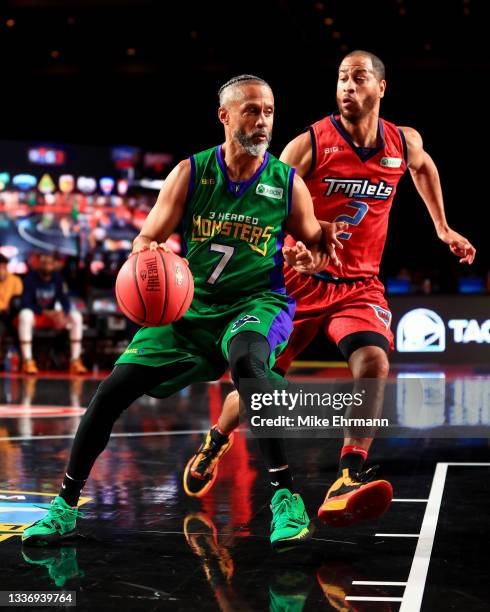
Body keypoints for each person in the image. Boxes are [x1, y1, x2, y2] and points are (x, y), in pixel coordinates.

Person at [21, 74, 344, 549]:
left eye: (269, 111)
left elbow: (316, 245)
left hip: (256, 302)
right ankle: (65, 507)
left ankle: (285, 500)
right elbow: (147, 237)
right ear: (225, 116)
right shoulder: (191, 173)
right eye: (252, 110)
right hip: (190, 307)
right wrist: (147, 259)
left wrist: (311, 255)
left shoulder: (286, 184)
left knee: (249, 366)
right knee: (110, 392)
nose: (262, 121)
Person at [184, 51, 476, 527]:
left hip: (358, 285)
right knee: (262, 390)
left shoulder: (402, 142)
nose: (346, 86)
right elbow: (264, 198)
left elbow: (423, 168)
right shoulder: (310, 144)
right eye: (341, 77)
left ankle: (348, 474)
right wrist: (291, 245)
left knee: (374, 361)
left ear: (381, 88)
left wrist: (442, 227)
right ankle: (218, 436)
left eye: (358, 78)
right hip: (295, 284)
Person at [18, 253, 87, 375]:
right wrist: (44, 312)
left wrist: (63, 313)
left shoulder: (58, 279)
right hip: (37, 315)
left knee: (76, 316)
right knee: (25, 314)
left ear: (54, 265)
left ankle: (75, 360)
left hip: (52, 317)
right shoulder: (30, 279)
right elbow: (25, 303)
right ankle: (27, 361)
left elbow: (65, 301)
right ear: (38, 264)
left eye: (49, 263)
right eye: (44, 263)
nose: (46, 266)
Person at [0, 254, 23, 347]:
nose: (1, 269)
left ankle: (22, 356)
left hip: (13, 315)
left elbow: (18, 299)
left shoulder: (15, 280)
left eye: (3, 266)